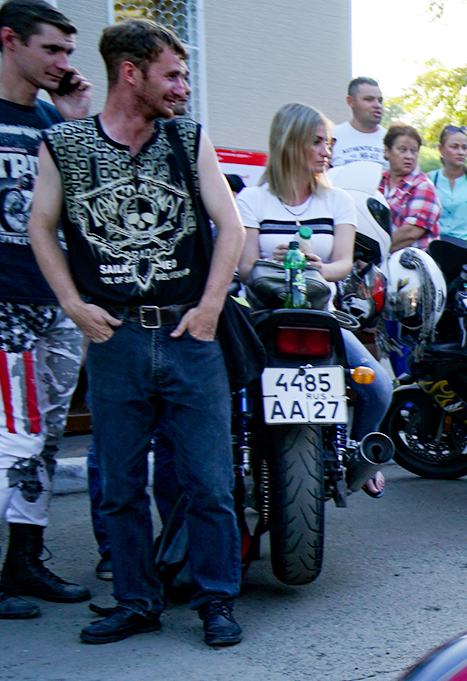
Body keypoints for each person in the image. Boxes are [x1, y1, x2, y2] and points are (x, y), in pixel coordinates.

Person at [31, 17, 246, 645]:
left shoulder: (188, 139)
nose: (182, 86)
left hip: (188, 334)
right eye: (171, 74)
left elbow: (229, 228)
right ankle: (136, 600)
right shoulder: (65, 145)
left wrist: (210, 306)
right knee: (120, 485)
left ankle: (216, 599)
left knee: (209, 481)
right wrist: (71, 302)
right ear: (132, 73)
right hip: (113, 338)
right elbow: (41, 226)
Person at [235, 103, 395, 493]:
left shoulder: (338, 200)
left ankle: (357, 455)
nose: (328, 150)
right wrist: (268, 263)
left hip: (320, 317)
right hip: (263, 319)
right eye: (318, 142)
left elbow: (342, 263)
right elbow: (242, 268)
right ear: (291, 144)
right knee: (227, 391)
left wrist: (315, 268)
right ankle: (232, 464)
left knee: (378, 389)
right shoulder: (252, 201)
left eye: (329, 142)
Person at [0, 0, 91, 620]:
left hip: (54, 299)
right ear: (11, 41)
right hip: (3, 298)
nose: (62, 63)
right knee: (8, 438)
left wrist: (71, 124)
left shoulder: (49, 118)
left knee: (42, 437)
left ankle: (24, 561)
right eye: (51, 50)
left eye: (68, 52)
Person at [378, 122, 438, 251]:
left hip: (413, 264)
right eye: (402, 149)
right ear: (387, 151)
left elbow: (409, 233)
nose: (409, 156)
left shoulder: (423, 186)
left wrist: (374, 252)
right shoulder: (378, 182)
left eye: (414, 150)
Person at [330, 76, 385, 169]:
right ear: (350, 101)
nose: (377, 105)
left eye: (380, 101)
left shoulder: (391, 140)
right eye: (369, 99)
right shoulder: (332, 136)